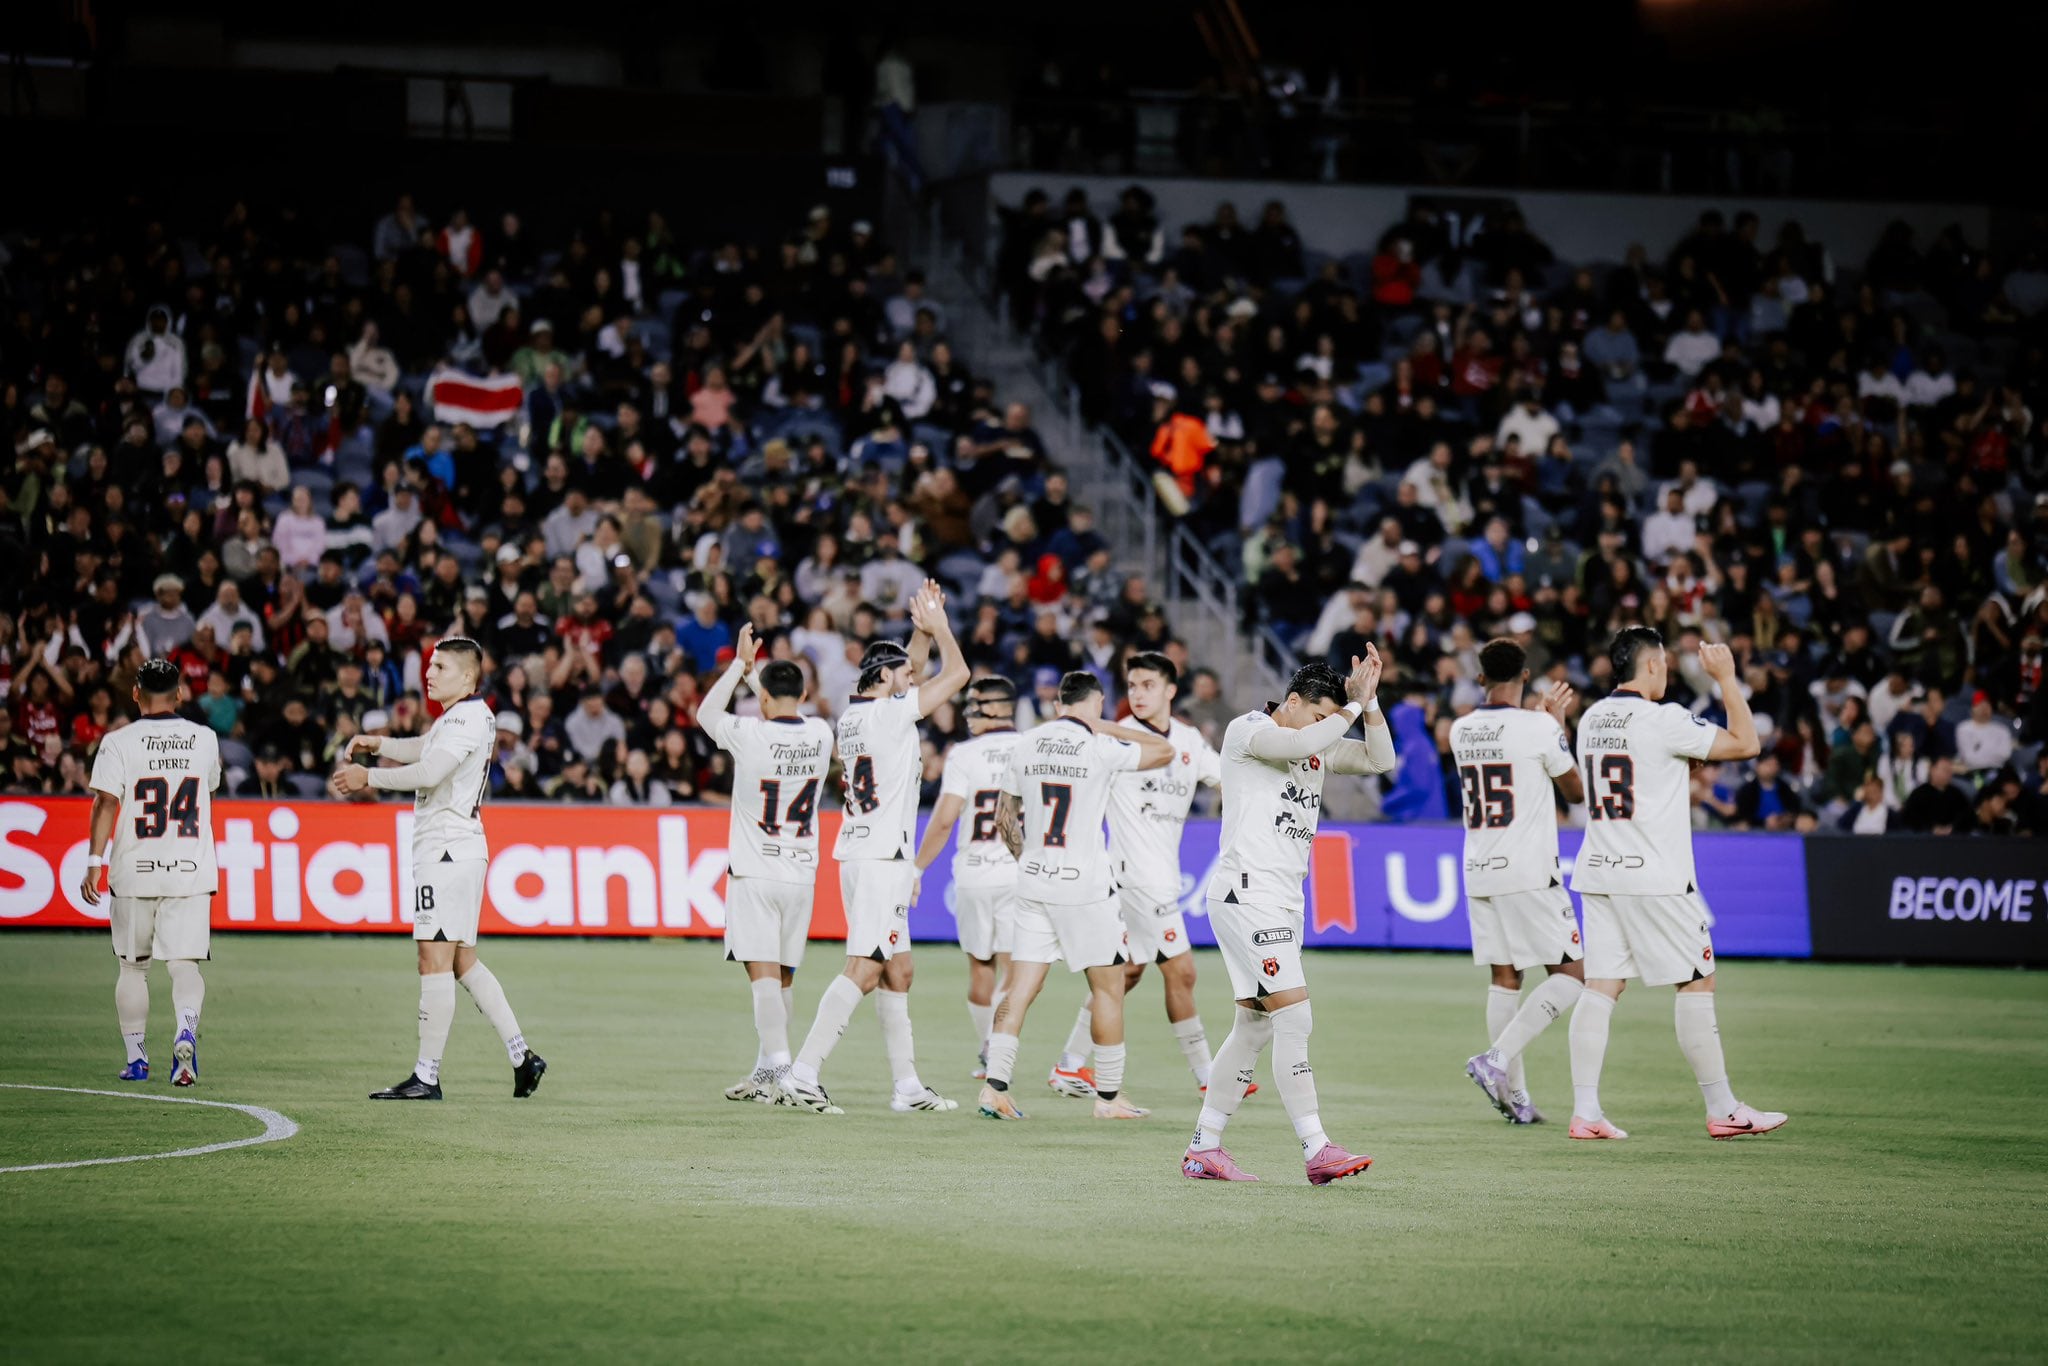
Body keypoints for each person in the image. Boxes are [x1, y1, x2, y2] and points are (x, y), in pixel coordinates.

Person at [1182, 652, 1396, 1185]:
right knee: (1295, 1017)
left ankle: (1204, 1147)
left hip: (1281, 899)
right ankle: (1316, 1147)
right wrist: (1345, 709)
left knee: (1253, 1026)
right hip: (1247, 894)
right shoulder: (1249, 730)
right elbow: (1301, 742)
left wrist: (1368, 705)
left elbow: (1379, 761)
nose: (1324, 731)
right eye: (1317, 717)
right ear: (1293, 703)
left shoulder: (1315, 742)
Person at [1567, 627, 1785, 1141]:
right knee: (1697, 980)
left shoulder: (1593, 718)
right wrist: (1728, 679)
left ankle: (1586, 1112)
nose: (1667, 670)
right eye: (1662, 662)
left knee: (1601, 986)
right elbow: (1747, 743)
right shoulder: (1663, 720)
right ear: (1649, 667)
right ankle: (1724, 1108)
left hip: (1599, 869)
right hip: (1655, 876)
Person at [781, 583, 969, 1115]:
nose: (915, 678)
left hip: (865, 854)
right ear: (885, 679)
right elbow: (957, 676)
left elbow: (908, 667)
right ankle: (803, 1072)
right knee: (865, 966)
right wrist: (942, 629)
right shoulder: (889, 714)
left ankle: (907, 1086)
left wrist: (919, 629)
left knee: (898, 969)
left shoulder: (857, 714)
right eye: (906, 676)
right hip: (881, 860)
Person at [331, 638, 546, 1101]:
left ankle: (426, 1076)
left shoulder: (469, 718)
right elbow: (427, 748)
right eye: (429, 665)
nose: (429, 673)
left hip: (447, 851)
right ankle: (522, 1056)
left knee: (433, 957)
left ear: (467, 677)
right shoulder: (461, 716)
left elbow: (430, 773)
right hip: (456, 848)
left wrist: (369, 775)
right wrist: (380, 742)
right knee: (461, 959)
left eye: (441, 666)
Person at [978, 671, 1174, 1121]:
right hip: (1084, 884)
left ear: (1058, 703)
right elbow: (1164, 750)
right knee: (1108, 988)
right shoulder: (1100, 745)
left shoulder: (1025, 742)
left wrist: (1029, 861)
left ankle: (995, 1089)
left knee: (1021, 986)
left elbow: (1004, 817)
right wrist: (1106, 726)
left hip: (1033, 878)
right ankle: (1108, 1100)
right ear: (1098, 702)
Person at [1048, 651, 1229, 1101]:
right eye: (1132, 685)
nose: (1138, 693)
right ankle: (1210, 1076)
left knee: (1126, 974)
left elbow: (1224, 779)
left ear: (1170, 689)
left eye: (1148, 685)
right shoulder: (1115, 742)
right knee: (1182, 972)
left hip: (1161, 874)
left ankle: (1069, 1065)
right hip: (1131, 874)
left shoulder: (1188, 739)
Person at [700, 624, 835, 1104]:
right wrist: (762, 679)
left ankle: (784, 1070)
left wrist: (740, 667)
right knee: (782, 977)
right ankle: (764, 1073)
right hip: (801, 874)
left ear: (762, 700)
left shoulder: (749, 734)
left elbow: (706, 712)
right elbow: (780, 705)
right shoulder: (821, 733)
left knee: (761, 977)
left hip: (756, 873)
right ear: (803, 693)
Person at [1456, 639, 1587, 1125]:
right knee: (1572, 977)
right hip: (1528, 870)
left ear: (1481, 676)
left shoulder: (1461, 729)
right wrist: (1558, 727)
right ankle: (1495, 1060)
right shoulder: (1538, 728)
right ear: (1526, 675)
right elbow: (1574, 792)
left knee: (1505, 975)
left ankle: (1518, 1099)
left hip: (1478, 867)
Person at [81, 659, 222, 1086]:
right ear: (180, 694)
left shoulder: (118, 742)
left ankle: (137, 1058)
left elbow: (106, 802)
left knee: (133, 967)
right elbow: (207, 788)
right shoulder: (205, 739)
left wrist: (93, 862)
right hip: (189, 869)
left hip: (135, 868)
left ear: (135, 693)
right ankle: (185, 1032)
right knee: (184, 965)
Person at [913, 676, 1022, 1078]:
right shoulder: (1030, 747)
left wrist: (918, 867)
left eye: (974, 706)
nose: (967, 714)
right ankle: (1001, 1056)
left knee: (980, 967)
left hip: (974, 874)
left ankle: (988, 1048)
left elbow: (943, 821)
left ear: (994, 708)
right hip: (1016, 873)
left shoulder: (964, 754)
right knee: (1015, 971)